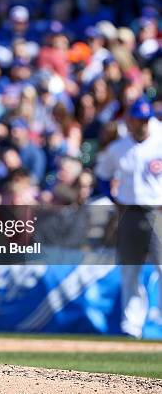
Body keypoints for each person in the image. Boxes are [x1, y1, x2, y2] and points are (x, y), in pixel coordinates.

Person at [95, 98, 162, 338]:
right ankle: (130, 327)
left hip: (157, 211)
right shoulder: (118, 148)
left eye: (146, 120)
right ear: (130, 120)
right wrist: (114, 199)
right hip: (129, 213)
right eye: (138, 119)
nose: (142, 124)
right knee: (130, 271)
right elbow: (102, 176)